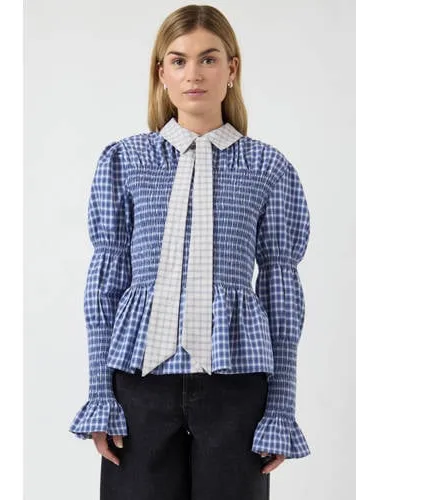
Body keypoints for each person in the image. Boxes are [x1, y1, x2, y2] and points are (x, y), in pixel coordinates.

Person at [69, 4, 311, 499]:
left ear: (231, 69)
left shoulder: (268, 168)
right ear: (161, 73)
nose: (193, 74)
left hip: (236, 386)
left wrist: (280, 408)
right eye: (178, 61)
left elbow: (281, 291)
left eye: (208, 59)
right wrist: (100, 395)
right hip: (139, 386)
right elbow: (105, 284)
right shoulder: (125, 161)